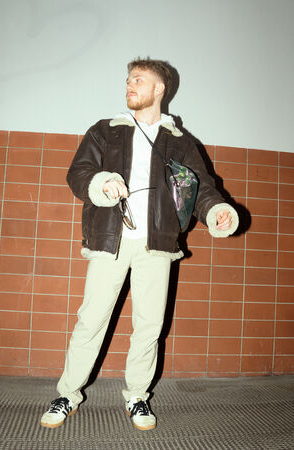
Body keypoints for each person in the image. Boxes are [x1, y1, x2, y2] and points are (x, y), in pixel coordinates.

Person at [40, 58, 239, 431]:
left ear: (159, 89)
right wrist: (101, 182)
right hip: (110, 240)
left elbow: (201, 188)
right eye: (128, 80)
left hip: (158, 243)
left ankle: (137, 397)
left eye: (139, 80)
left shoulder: (180, 142)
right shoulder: (105, 131)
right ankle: (68, 393)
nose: (130, 85)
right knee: (91, 321)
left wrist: (217, 213)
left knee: (149, 326)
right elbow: (78, 172)